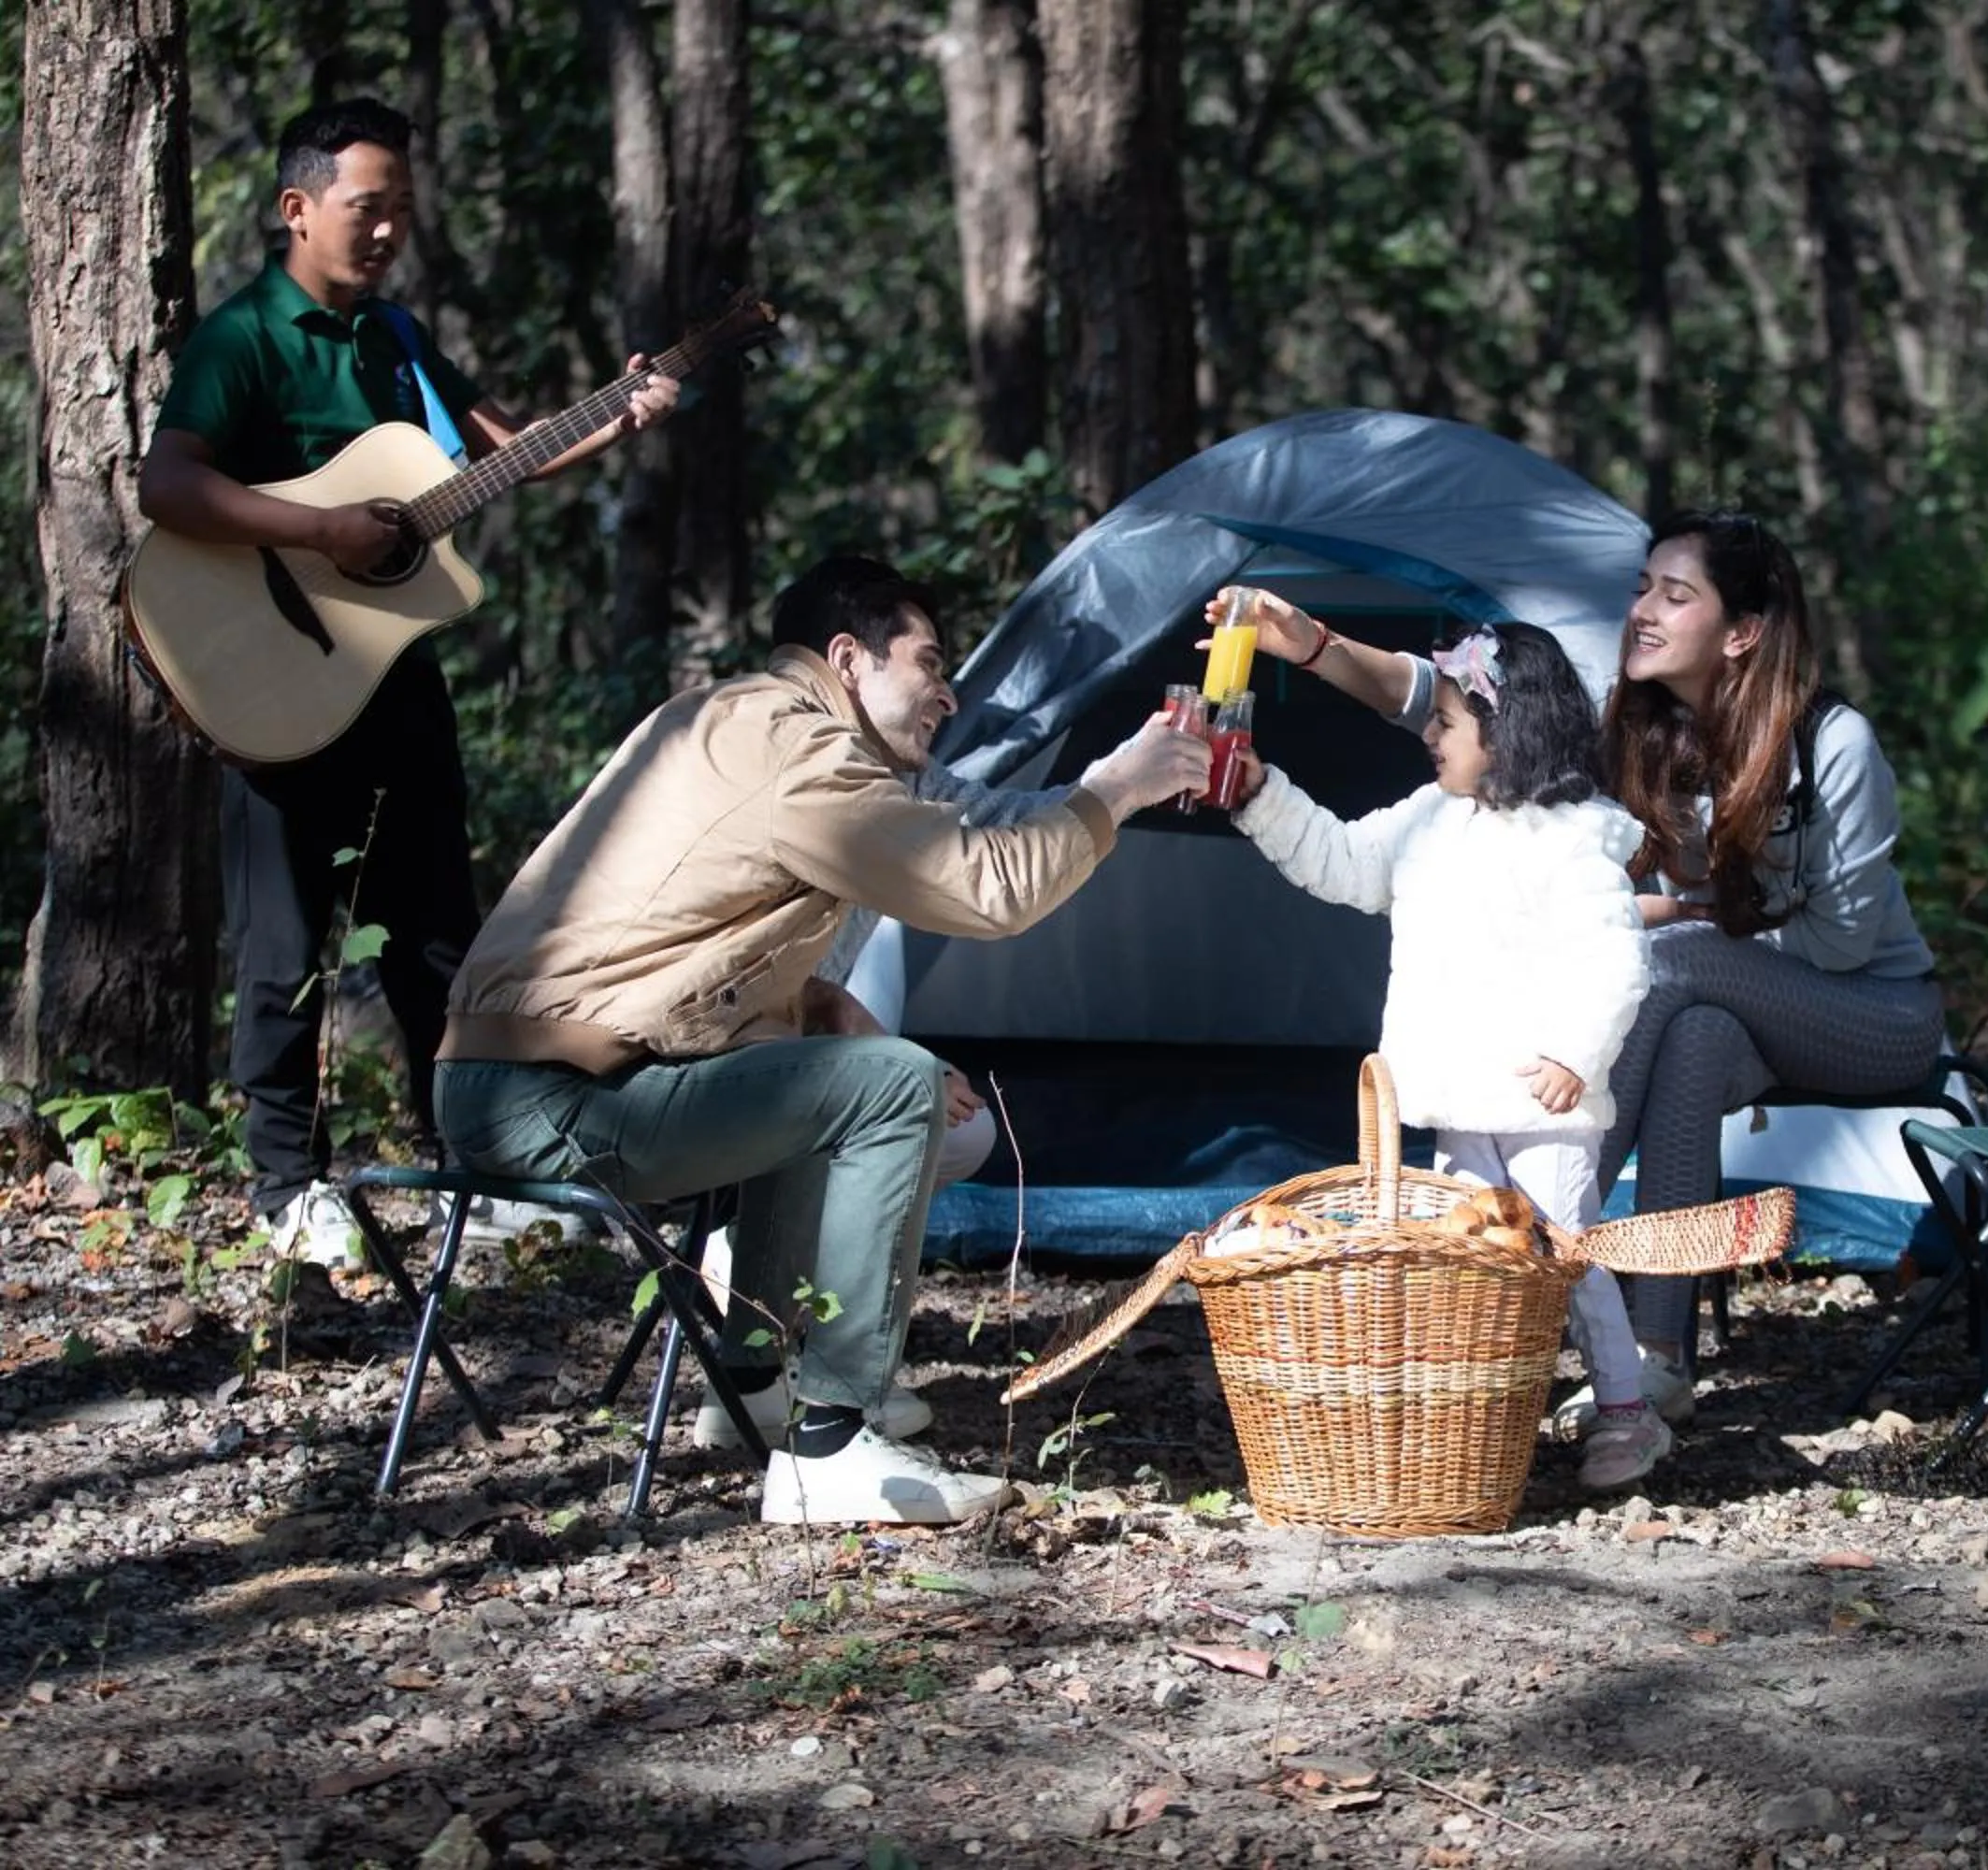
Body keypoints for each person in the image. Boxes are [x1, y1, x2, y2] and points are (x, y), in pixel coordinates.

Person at [435, 554, 1207, 1526]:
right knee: (893, 1084)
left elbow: (672, 927)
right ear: (847, 657)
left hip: (513, 1073)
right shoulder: (796, 745)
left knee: (824, 1077)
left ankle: (753, 1381)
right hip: (565, 1090)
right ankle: (833, 1442)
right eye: (928, 662)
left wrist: (813, 1000)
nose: (947, 691)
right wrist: (1114, 789)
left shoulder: (721, 718)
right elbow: (984, 886)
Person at [1217, 509, 1946, 1428]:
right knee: (1693, 1038)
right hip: (1735, 1008)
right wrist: (1311, 644)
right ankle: (1655, 1356)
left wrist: (1679, 914)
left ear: (1744, 631)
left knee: (1660, 963)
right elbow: (1459, 707)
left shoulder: (1834, 746)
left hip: (1871, 1014)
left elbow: (1837, 945)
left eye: (1675, 595)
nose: (1643, 608)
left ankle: (1531, 1254)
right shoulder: (1644, 724)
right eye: (1643, 585)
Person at [137, 97, 680, 1270]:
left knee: (436, 932)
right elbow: (167, 488)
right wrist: (323, 526)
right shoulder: (248, 338)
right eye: (364, 207)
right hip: (269, 679)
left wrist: (621, 414)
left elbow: (505, 446)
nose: (386, 230)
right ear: (297, 208)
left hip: (391, 676)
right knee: (285, 944)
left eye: (401, 211)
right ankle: (287, 1187)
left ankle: (471, 1171)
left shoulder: (393, 334)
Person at [1215, 615, 1670, 1489]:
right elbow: (1342, 862)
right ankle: (1483, 1410)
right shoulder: (1433, 819)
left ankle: (1626, 1409)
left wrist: (1575, 1052)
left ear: (1504, 737)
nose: (1430, 732)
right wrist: (1258, 792)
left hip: (1543, 1107)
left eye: (1449, 721)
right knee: (1470, 1267)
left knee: (1563, 1255)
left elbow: (1616, 958)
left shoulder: (1574, 838)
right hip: (1460, 1102)